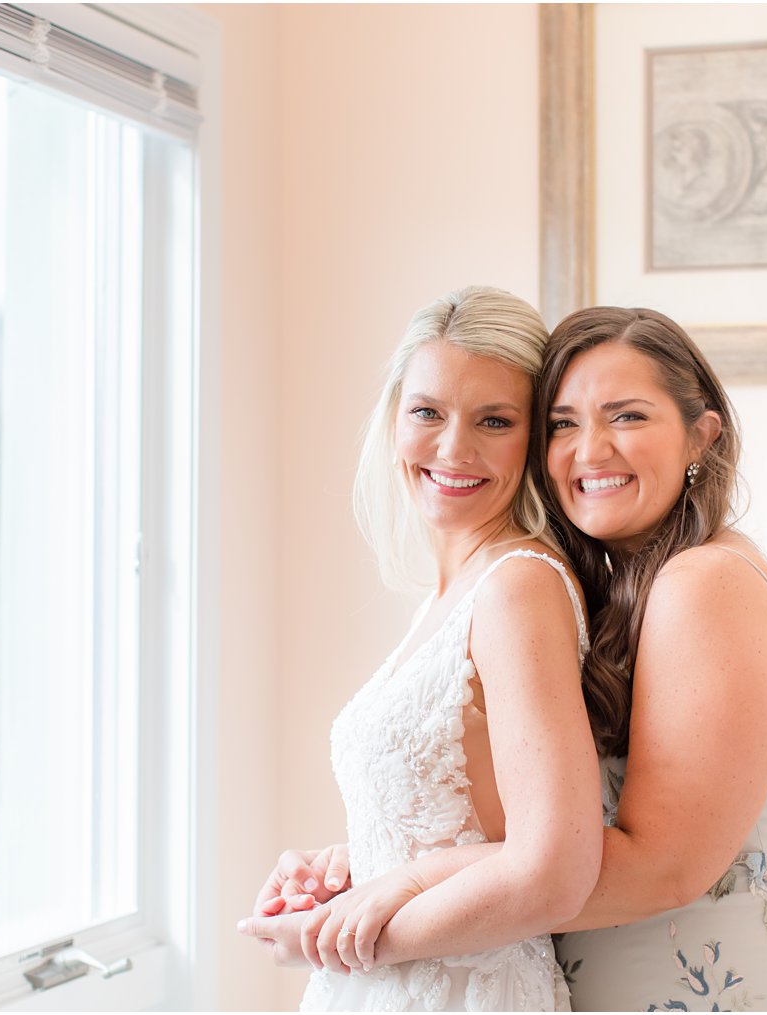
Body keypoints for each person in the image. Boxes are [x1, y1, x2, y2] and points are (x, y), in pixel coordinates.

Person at [249, 306, 767, 1012]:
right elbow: (536, 821)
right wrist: (373, 864)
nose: (591, 449)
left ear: (701, 436)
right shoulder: (621, 589)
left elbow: (658, 866)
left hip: (753, 992)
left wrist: (405, 885)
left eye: (626, 416)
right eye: (564, 423)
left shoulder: (701, 583)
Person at [239, 286, 601, 1011]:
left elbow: (556, 869)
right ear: (394, 418)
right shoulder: (452, 595)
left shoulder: (517, 587)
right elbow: (471, 825)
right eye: (427, 412)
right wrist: (352, 870)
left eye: (493, 420)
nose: (453, 448)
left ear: (532, 440)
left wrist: (344, 932)